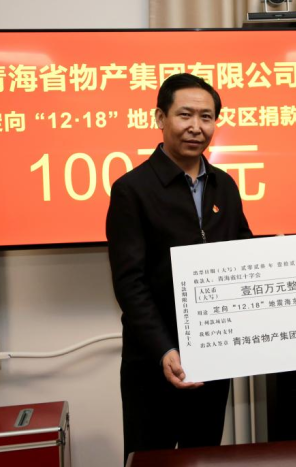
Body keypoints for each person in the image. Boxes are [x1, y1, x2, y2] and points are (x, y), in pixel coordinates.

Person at [106, 73, 252, 461]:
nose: (196, 127)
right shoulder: (132, 189)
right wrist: (164, 349)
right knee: (150, 460)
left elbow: (244, 254)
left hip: (213, 353)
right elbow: (129, 283)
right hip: (153, 362)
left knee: (203, 457)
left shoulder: (224, 186)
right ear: (160, 118)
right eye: (185, 114)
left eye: (206, 117)